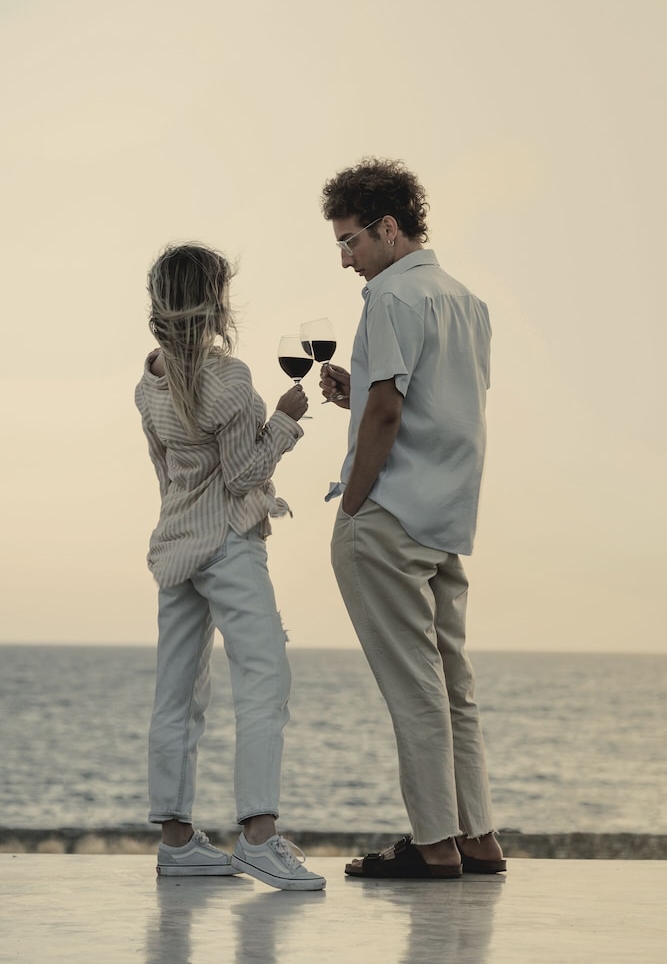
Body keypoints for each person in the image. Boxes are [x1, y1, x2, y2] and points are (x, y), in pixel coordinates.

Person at [319, 159, 505, 879]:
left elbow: (390, 413)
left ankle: (433, 847)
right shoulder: (467, 302)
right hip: (447, 517)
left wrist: (354, 502)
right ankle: (477, 837)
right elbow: (439, 407)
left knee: (413, 687)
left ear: (388, 228)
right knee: (453, 685)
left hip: (389, 516)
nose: (346, 259)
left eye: (350, 241)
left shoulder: (390, 298)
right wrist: (357, 394)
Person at [135, 242, 325, 891]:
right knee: (264, 679)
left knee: (176, 693)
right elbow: (245, 474)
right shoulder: (231, 379)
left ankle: (176, 842)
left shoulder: (149, 380)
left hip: (176, 545)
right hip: (227, 543)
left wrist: (183, 521)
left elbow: (165, 473)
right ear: (214, 302)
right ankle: (259, 839)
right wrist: (285, 422)